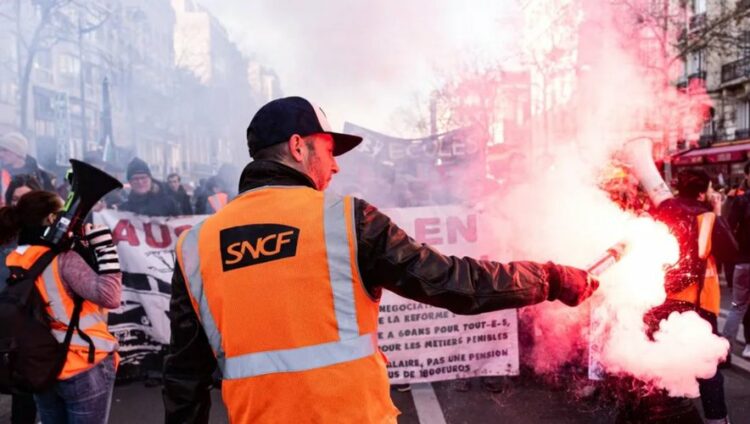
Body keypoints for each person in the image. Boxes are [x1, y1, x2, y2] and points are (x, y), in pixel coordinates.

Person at [162, 96, 598, 423]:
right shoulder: (346, 219)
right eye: (329, 151)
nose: (336, 168)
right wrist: (551, 279)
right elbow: (454, 283)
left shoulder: (195, 246)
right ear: (298, 147)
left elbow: (184, 378)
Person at [0, 190, 122, 424]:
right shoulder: (63, 259)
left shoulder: (12, 258)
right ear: (51, 220)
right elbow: (111, 296)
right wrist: (106, 248)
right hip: (82, 362)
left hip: (38, 363)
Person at [634, 169, 737, 424]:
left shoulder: (661, 211)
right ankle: (716, 419)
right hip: (697, 303)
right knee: (707, 365)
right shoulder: (708, 217)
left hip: (659, 297)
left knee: (658, 358)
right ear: (702, 191)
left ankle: (659, 413)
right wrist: (717, 213)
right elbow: (730, 252)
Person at [723, 162, 750, 359]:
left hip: (743, 260)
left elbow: (728, 229)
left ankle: (725, 349)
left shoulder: (741, 201)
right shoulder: (740, 200)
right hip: (743, 259)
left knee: (738, 306)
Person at [0, 132, 56, 201]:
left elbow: (51, 202)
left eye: (5, 150)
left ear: (17, 152)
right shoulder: (2, 173)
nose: (1, 154)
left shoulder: (42, 176)